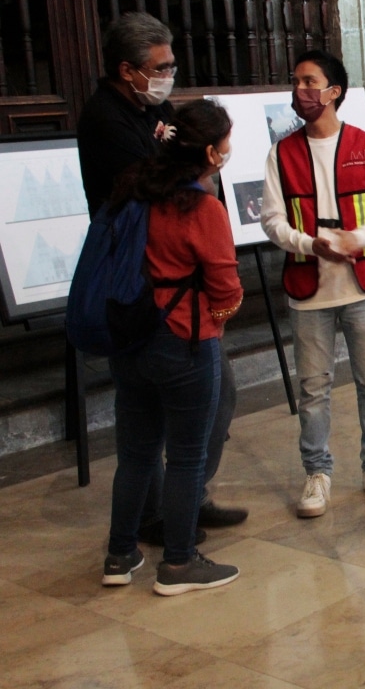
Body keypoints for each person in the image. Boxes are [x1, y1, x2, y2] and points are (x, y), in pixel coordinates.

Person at [77, 12, 247, 541]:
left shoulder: (156, 108)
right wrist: (218, 316)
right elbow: (162, 180)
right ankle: (173, 532)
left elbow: (173, 156)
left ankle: (160, 518)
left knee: (180, 418)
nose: (169, 75)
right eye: (161, 66)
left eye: (172, 64)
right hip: (148, 289)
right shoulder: (106, 119)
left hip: (171, 290)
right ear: (127, 70)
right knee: (167, 427)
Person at [261, 49, 365, 518]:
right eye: (296, 82)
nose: (300, 91)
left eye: (310, 82)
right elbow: (271, 221)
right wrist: (311, 244)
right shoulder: (282, 152)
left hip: (364, 288)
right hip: (308, 289)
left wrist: (356, 239)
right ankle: (317, 473)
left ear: (334, 92)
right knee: (313, 388)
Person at [101, 99, 242, 595]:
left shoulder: (132, 190)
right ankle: (179, 564)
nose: (228, 150)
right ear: (209, 150)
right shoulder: (201, 207)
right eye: (226, 142)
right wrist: (217, 322)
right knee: (185, 457)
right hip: (184, 340)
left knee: (135, 456)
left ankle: (119, 556)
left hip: (130, 337)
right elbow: (225, 288)